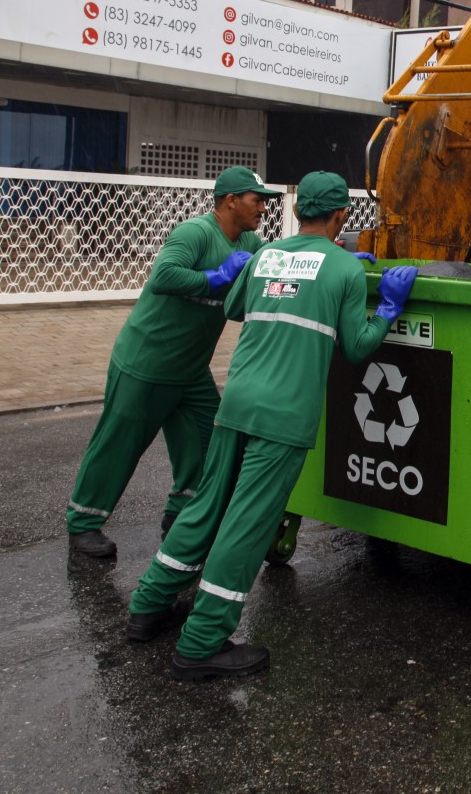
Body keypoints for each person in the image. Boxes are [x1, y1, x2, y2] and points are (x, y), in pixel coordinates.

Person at [126, 172, 418, 681]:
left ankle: (148, 605)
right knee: (247, 524)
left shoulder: (267, 254)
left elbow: (236, 305)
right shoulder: (345, 271)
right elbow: (357, 347)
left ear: (298, 210)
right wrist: (388, 308)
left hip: (237, 402)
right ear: (341, 216)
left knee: (208, 505)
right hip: (284, 416)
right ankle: (201, 642)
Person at [67, 166, 281, 559]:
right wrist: (214, 277)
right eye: (257, 199)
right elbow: (163, 274)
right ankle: (83, 524)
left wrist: (333, 255)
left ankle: (181, 515)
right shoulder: (196, 233)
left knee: (209, 441)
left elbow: (279, 263)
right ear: (231, 201)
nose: (264, 207)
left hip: (190, 371)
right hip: (146, 363)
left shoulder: (250, 241)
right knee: (119, 444)